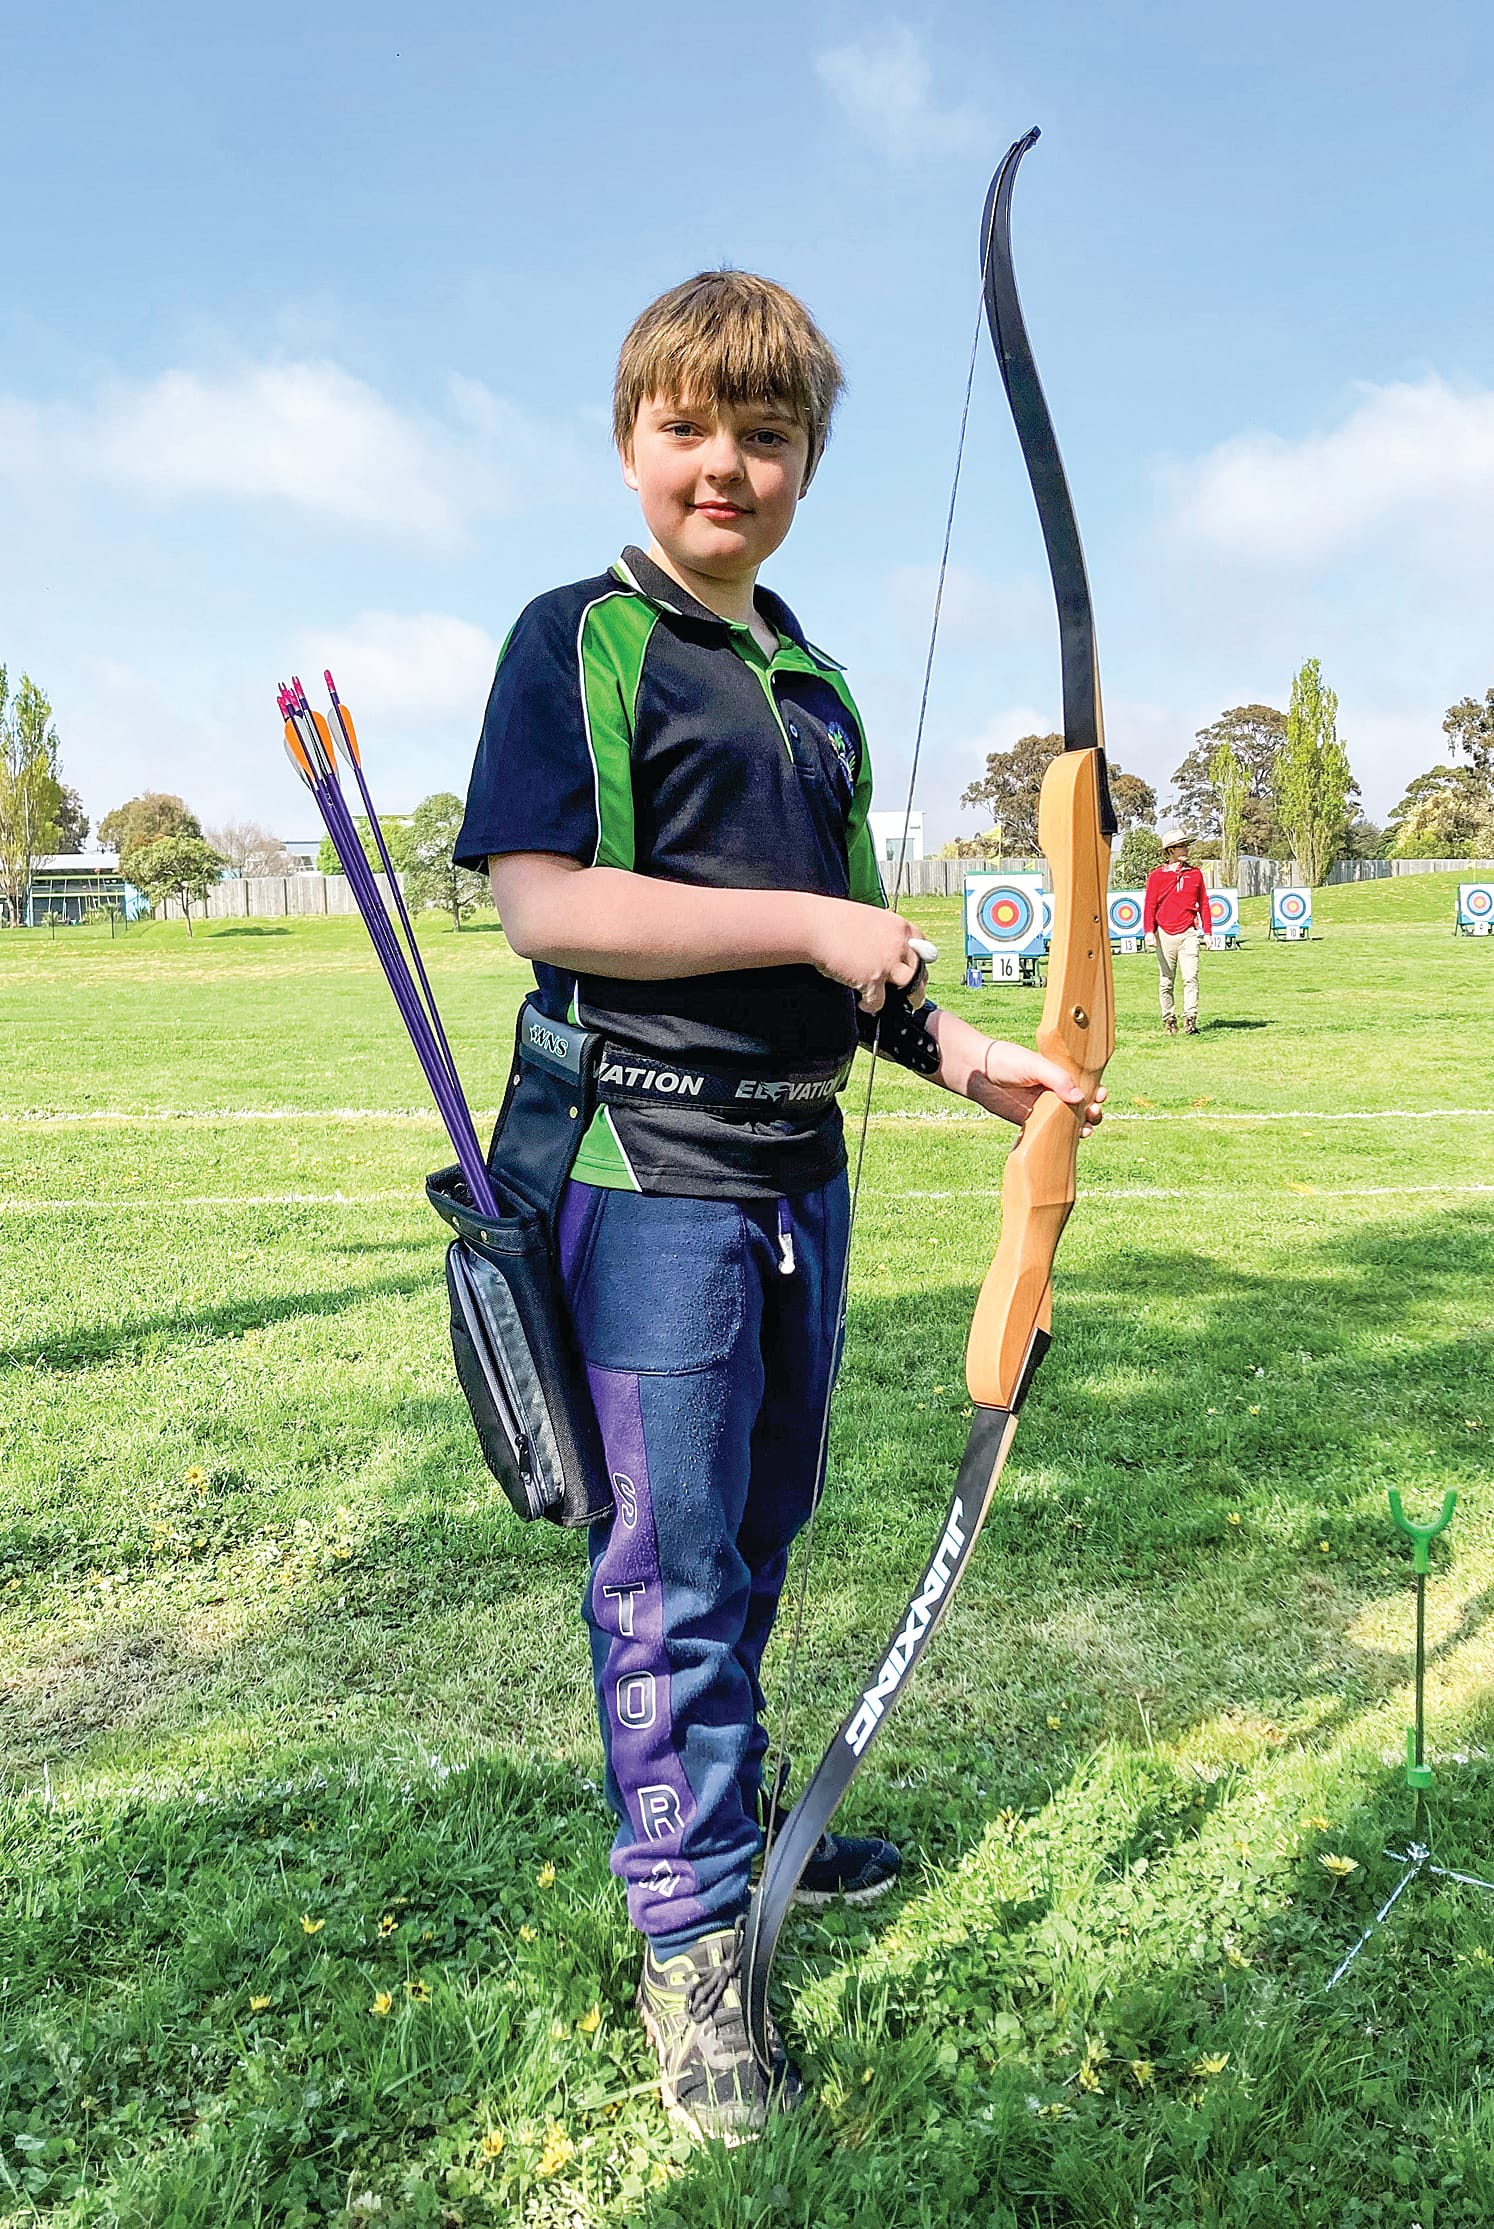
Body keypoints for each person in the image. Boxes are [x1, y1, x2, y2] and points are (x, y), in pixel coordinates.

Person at [453, 268, 1105, 2144]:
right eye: (687, 427)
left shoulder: (801, 676)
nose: (721, 465)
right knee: (662, 1575)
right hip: (647, 1169)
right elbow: (549, 902)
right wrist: (814, 921)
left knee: (753, 1526)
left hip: (793, 1173)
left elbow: (862, 975)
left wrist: (977, 1059)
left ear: (805, 458)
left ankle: (734, 1831)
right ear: (628, 437)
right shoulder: (577, 638)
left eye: (763, 433)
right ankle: (687, 1943)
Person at [1143, 829, 1213, 1035]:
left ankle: (1190, 1019)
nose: (1186, 849)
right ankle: (1169, 1018)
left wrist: (1207, 932)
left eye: (1186, 845)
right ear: (1170, 850)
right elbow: (1149, 906)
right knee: (1166, 979)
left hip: (1189, 933)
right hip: (1164, 934)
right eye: (1182, 846)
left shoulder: (1195, 874)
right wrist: (1149, 931)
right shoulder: (1156, 877)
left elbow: (1204, 904)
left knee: (1191, 977)